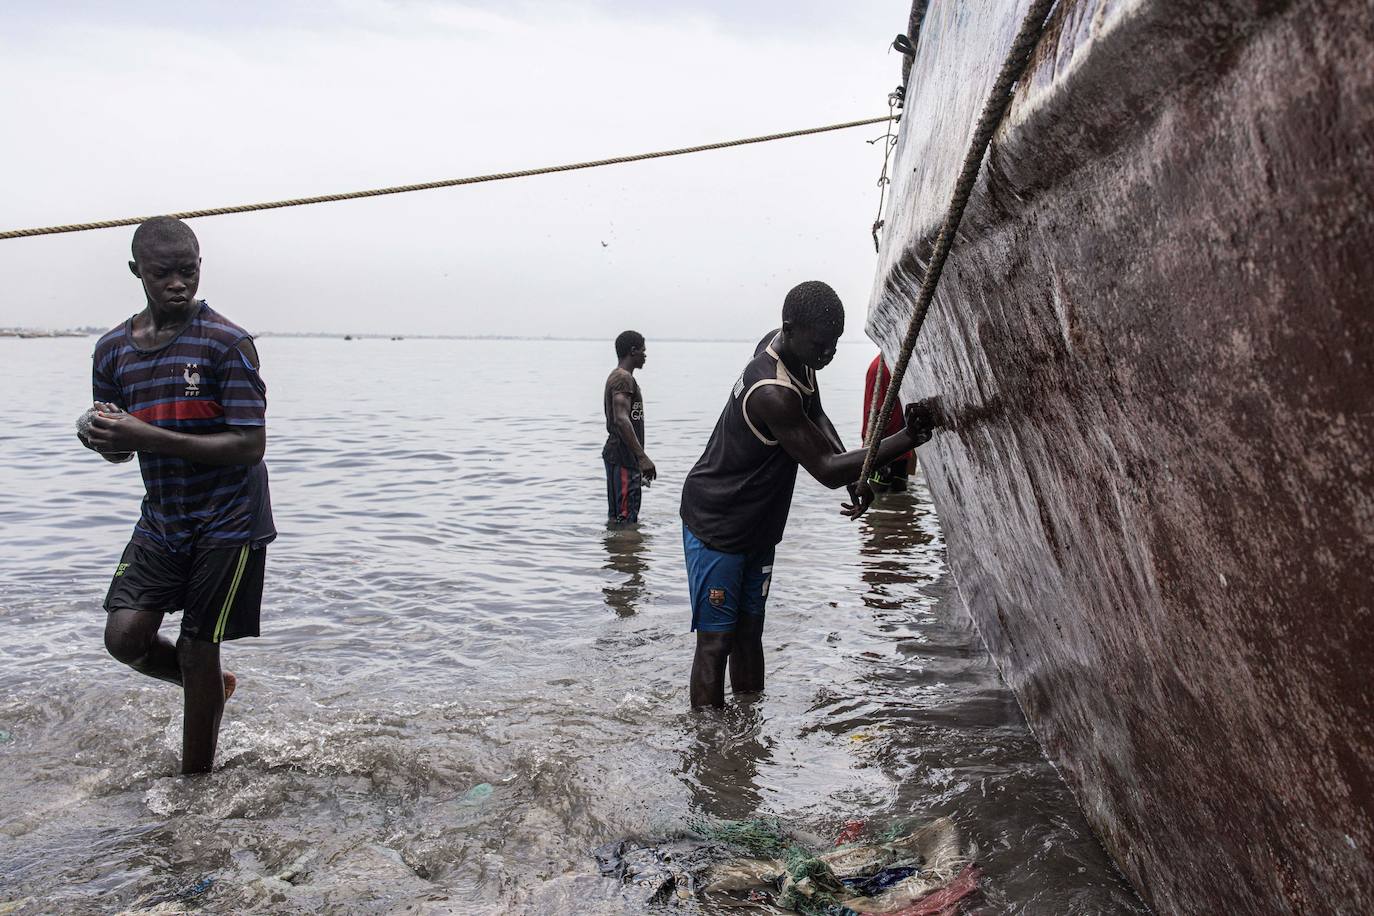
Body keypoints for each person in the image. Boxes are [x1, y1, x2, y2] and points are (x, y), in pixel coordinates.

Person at [679, 281, 936, 708]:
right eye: (822, 345)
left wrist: (856, 471)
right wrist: (905, 437)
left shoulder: (795, 354)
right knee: (716, 642)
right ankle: (709, 744)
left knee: (749, 632)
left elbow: (815, 412)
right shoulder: (773, 392)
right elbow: (826, 471)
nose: (829, 354)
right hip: (717, 522)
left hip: (757, 526)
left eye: (835, 344)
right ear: (790, 329)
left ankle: (746, 731)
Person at [81, 216, 275, 775]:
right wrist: (104, 439)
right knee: (125, 637)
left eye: (187, 272)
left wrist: (145, 435)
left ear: (199, 268)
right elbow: (119, 445)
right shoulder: (113, 350)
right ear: (136, 271)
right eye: (162, 273)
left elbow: (249, 445)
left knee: (196, 646)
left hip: (229, 520)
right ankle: (214, 687)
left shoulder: (226, 343)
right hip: (163, 518)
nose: (176, 284)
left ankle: (195, 786)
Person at [602, 330, 657, 525]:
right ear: (633, 351)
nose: (645, 355)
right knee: (626, 519)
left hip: (619, 455)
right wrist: (641, 457)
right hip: (624, 457)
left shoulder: (620, 377)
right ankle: (626, 554)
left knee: (618, 518)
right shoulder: (623, 379)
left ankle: (618, 553)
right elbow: (621, 419)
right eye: (643, 351)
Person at [862, 353, 916, 492]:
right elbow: (874, 414)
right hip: (884, 449)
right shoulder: (881, 369)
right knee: (879, 498)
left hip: (900, 448)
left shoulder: (896, 366)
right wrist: (878, 457)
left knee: (899, 500)